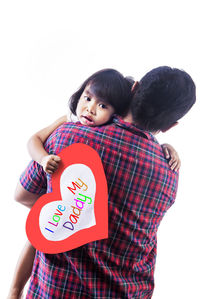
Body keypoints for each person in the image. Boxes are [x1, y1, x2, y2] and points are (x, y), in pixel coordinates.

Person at [10, 66, 194, 299]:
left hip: (56, 291)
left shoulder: (69, 137)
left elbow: (22, 195)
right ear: (170, 126)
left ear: (133, 89)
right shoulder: (170, 172)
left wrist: (67, 213)